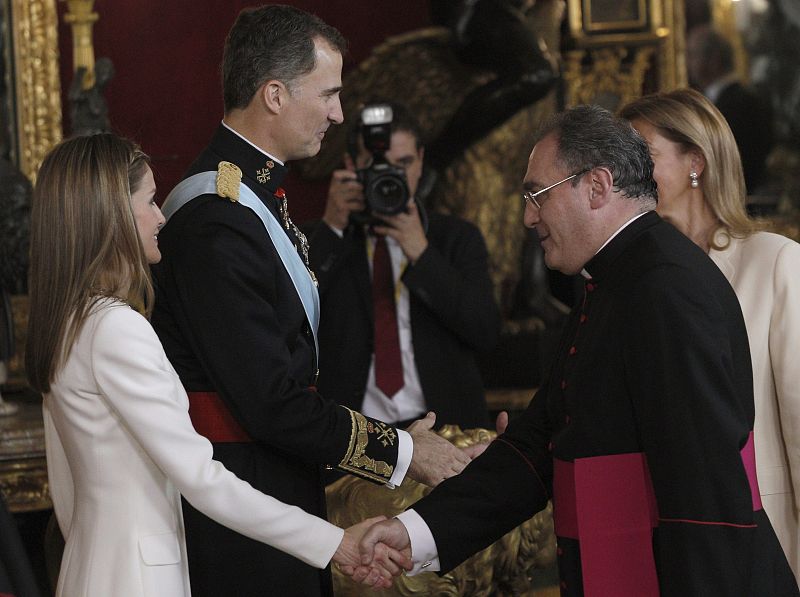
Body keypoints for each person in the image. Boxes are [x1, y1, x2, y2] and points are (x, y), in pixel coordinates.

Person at [354, 104, 799, 595]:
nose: (528, 217)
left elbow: (705, 494)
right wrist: (413, 533)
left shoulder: (665, 287)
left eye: (536, 195)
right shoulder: (615, 280)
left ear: (597, 186)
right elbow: (538, 445)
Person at [150, 5, 470, 596]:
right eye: (328, 94)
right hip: (242, 511)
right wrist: (401, 452)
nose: (338, 113)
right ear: (275, 95)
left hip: (275, 486)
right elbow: (271, 402)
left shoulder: (251, 199)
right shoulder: (217, 219)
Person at [24, 134, 409, 596]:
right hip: (140, 578)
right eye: (149, 201)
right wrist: (333, 543)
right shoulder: (117, 328)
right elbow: (202, 479)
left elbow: (65, 489)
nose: (161, 217)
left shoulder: (68, 321)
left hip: (89, 570)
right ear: (112, 215)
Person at [620, 87, 800, 582]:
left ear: (695, 162)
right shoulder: (628, 281)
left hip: (767, 553)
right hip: (665, 552)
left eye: (642, 156)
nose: (623, 174)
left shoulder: (775, 262)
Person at [304, 101, 500, 432]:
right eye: (378, 166)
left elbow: (485, 332)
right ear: (352, 166)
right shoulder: (317, 239)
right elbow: (291, 321)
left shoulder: (455, 238)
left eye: (404, 163)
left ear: (421, 161)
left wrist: (421, 252)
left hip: (446, 428)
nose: (391, 177)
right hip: (353, 434)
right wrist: (332, 228)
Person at [426, 0, 558, 171]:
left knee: (551, 73)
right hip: (476, 10)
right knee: (538, 73)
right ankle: (437, 157)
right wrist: (461, 14)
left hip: (509, 11)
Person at [685, 25, 773, 193]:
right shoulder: (721, 100)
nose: (688, 62)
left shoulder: (742, 103)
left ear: (714, 59)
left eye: (693, 54)